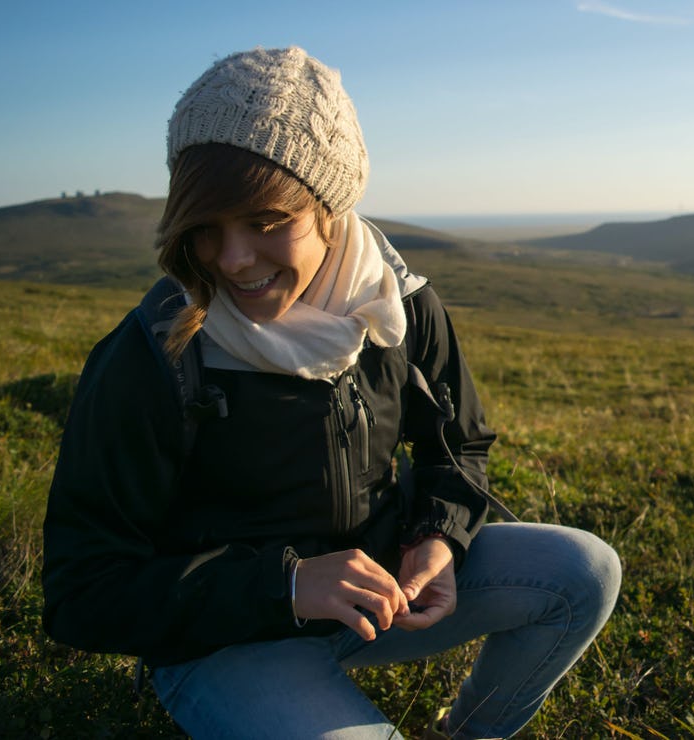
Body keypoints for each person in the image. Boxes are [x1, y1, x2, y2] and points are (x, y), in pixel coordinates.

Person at [41, 46, 621, 739]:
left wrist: (437, 536)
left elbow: (458, 445)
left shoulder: (398, 306)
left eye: (265, 221)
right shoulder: (152, 356)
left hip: (376, 599)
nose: (232, 260)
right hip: (226, 642)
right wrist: (287, 586)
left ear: (328, 206)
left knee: (582, 572)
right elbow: (81, 591)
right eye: (206, 228)